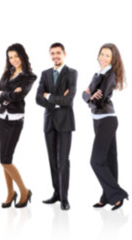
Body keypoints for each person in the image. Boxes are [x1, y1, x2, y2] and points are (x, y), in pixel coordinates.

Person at [0, 43, 36, 208]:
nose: (13, 60)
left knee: (5, 159)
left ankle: (24, 191)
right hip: (2, 118)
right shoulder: (6, 74)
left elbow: (18, 97)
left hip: (15, 120)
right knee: (4, 158)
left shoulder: (29, 77)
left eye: (16, 56)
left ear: (22, 56)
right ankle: (10, 192)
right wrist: (6, 94)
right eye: (10, 57)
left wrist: (3, 94)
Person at [82, 43, 128, 211]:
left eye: (107, 55)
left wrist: (89, 95)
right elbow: (85, 94)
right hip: (97, 119)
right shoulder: (98, 74)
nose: (103, 57)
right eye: (102, 54)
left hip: (107, 120)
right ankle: (107, 196)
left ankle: (117, 194)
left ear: (113, 59)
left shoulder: (110, 75)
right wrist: (88, 95)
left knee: (96, 161)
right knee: (109, 160)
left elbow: (98, 100)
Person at [35, 43, 78, 211]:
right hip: (49, 123)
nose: (55, 56)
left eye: (58, 53)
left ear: (64, 54)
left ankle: (65, 199)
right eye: (52, 53)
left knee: (63, 161)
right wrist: (57, 99)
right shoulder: (45, 74)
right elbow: (38, 99)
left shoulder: (72, 73)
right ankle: (57, 193)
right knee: (52, 161)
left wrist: (49, 96)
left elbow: (68, 100)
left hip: (65, 122)